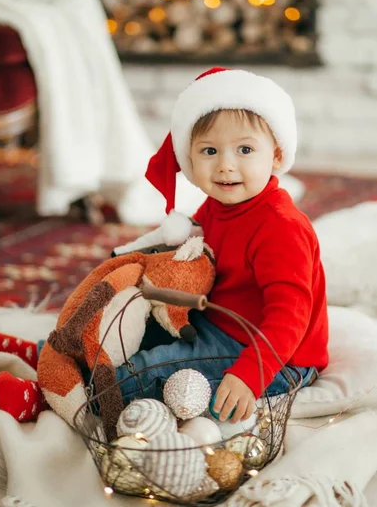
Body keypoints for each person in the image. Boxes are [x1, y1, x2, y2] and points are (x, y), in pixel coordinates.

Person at [114, 66, 329, 424]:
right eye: (210, 150)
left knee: (146, 372)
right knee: (128, 327)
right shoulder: (215, 205)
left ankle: (65, 393)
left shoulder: (280, 227)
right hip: (219, 320)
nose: (226, 166)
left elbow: (290, 315)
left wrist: (250, 374)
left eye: (245, 149)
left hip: (272, 354)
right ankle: (61, 353)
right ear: (190, 160)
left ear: (276, 156)